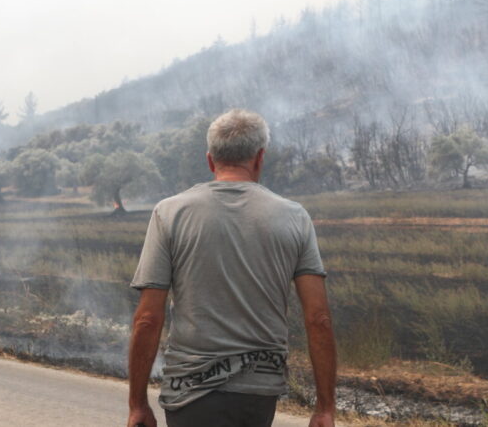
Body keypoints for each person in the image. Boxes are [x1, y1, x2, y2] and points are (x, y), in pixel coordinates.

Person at [126, 109, 337, 427]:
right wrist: (325, 409)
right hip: (258, 393)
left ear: (210, 160)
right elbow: (318, 319)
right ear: (260, 158)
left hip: (189, 393)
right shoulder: (294, 217)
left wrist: (137, 404)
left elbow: (147, 319)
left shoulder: (169, 213)